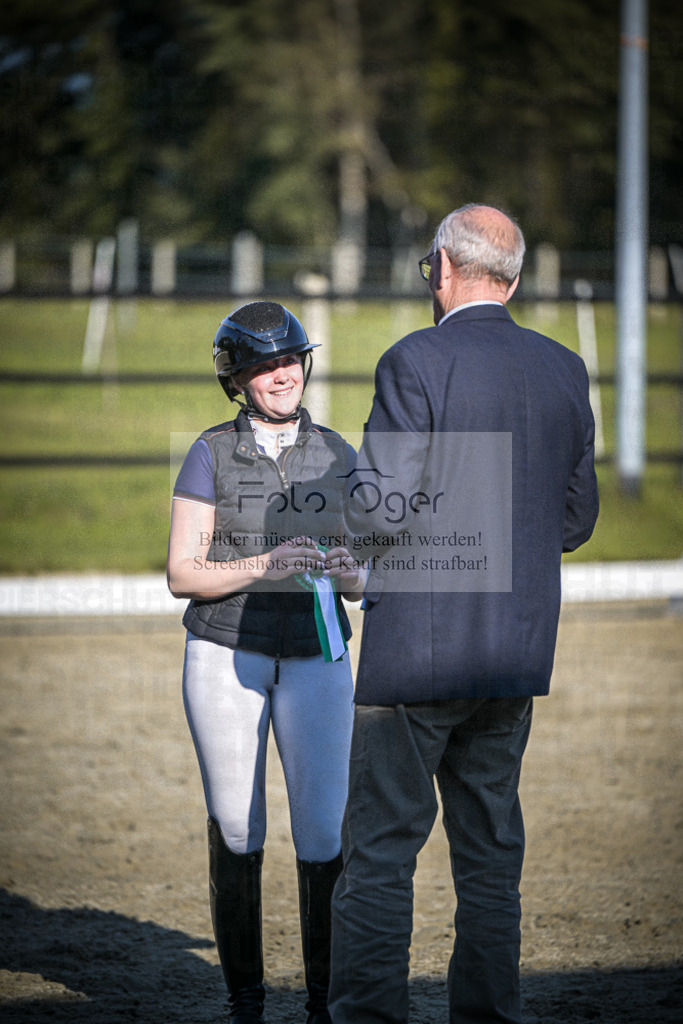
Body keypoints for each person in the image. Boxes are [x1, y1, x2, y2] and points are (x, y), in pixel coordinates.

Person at [328, 204, 599, 1023]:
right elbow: (575, 519)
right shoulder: (563, 368)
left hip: (417, 655)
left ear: (442, 269)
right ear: (511, 281)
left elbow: (379, 507)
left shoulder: (415, 359)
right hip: (513, 655)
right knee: (489, 860)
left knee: (379, 854)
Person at [167, 301, 364, 1024]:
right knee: (237, 826)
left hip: (317, 654)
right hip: (225, 653)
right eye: (264, 364)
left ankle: (321, 1005)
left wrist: (349, 574)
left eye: (289, 360)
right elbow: (183, 574)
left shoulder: (340, 453)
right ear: (237, 376)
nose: (282, 374)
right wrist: (265, 562)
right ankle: (244, 1004)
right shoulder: (210, 452)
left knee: (321, 830)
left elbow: (364, 577)